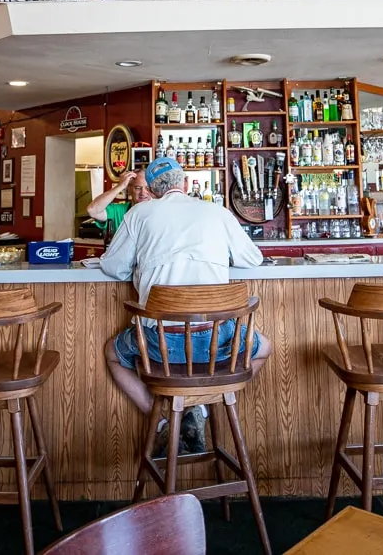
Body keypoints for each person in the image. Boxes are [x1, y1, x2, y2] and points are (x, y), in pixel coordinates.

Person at [99, 157, 268, 456]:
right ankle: (202, 405)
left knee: (113, 354)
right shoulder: (217, 212)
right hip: (218, 345)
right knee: (263, 348)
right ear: (186, 184)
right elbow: (252, 259)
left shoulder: (140, 214)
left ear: (151, 189)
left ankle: (163, 419)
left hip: (159, 348)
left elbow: (114, 267)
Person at [86, 169, 151, 240]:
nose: (143, 193)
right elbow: (92, 210)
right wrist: (120, 186)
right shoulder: (118, 211)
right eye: (138, 188)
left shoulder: (159, 212)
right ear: (129, 189)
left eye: (148, 188)